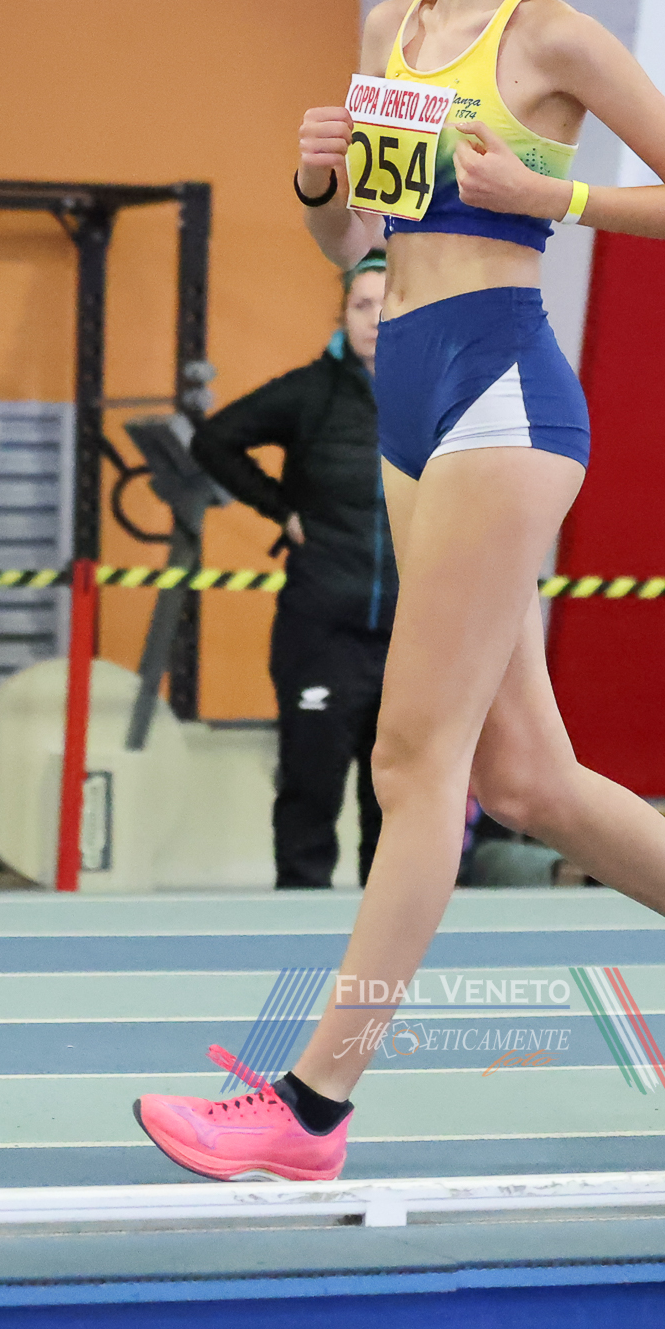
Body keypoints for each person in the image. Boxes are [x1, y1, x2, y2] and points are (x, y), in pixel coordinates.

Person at [130, 0, 665, 1183]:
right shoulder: (388, 28)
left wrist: (551, 193)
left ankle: (312, 1107)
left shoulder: (554, 39)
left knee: (416, 764)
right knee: (529, 776)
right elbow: (359, 244)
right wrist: (319, 183)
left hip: (503, 393)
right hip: (406, 388)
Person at [191, 252, 398, 888]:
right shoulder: (310, 392)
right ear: (342, 314)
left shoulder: (438, 396)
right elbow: (214, 439)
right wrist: (280, 509)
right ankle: (300, 926)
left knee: (396, 803)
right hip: (322, 631)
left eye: (388, 305)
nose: (374, 319)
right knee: (311, 790)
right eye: (361, 306)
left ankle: (392, 932)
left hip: (412, 636)